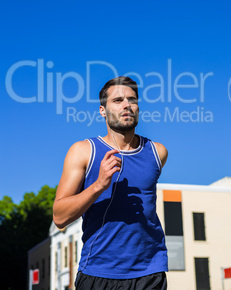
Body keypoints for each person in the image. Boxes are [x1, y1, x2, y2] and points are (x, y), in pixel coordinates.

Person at [53, 76, 168, 290]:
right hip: (98, 272)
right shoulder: (83, 151)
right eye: (118, 100)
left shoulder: (157, 152)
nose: (127, 105)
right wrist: (98, 185)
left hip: (150, 272)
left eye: (132, 100)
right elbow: (59, 217)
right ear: (102, 110)